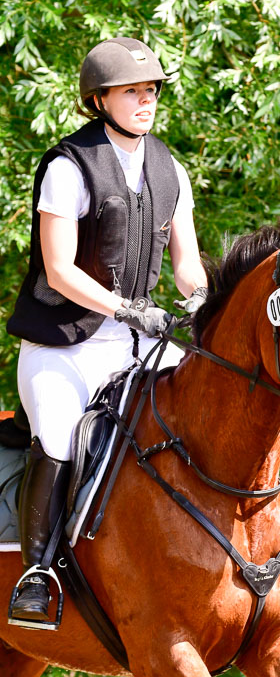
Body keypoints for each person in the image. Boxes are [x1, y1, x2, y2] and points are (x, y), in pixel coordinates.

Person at [6, 37, 208, 627]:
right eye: (132, 91)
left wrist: (198, 298)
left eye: (151, 90)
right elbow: (59, 268)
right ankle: (37, 574)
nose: (146, 101)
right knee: (62, 437)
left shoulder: (171, 168)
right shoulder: (70, 166)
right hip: (61, 346)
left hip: (135, 342)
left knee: (206, 403)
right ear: (100, 99)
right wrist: (125, 308)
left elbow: (186, 263)